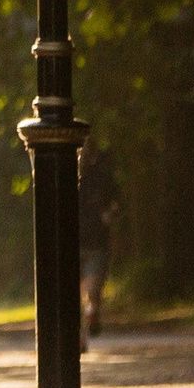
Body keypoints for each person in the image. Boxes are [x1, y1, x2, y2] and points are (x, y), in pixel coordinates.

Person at [79, 145, 118, 341]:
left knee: (92, 291)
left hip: (96, 243)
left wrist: (108, 214)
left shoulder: (103, 180)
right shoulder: (65, 178)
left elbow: (115, 204)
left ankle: (92, 315)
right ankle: (79, 337)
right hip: (73, 244)